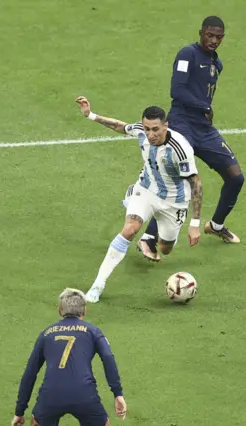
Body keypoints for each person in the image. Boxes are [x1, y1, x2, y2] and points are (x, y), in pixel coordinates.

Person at [75, 96, 203, 302]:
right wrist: (90, 115)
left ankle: (152, 231)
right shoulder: (141, 132)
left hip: (174, 202)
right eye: (146, 129)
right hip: (146, 190)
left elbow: (196, 183)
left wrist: (195, 223)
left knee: (165, 248)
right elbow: (120, 126)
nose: (150, 134)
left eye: (155, 129)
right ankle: (97, 286)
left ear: (165, 126)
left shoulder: (180, 148)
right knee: (130, 229)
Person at [137, 15, 243, 262]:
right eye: (210, 35)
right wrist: (201, 105)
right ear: (201, 33)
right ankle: (149, 239)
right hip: (183, 122)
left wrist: (204, 112)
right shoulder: (187, 55)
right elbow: (177, 90)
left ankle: (216, 225)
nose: (214, 40)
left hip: (204, 128)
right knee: (177, 180)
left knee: (236, 177)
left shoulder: (217, 63)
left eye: (218, 37)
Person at [11, 288, 127, 426]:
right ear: (84, 311)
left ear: (60, 311)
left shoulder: (46, 334)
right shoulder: (93, 331)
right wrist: (117, 393)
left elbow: (30, 373)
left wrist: (19, 411)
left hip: (51, 395)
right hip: (84, 394)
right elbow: (108, 357)